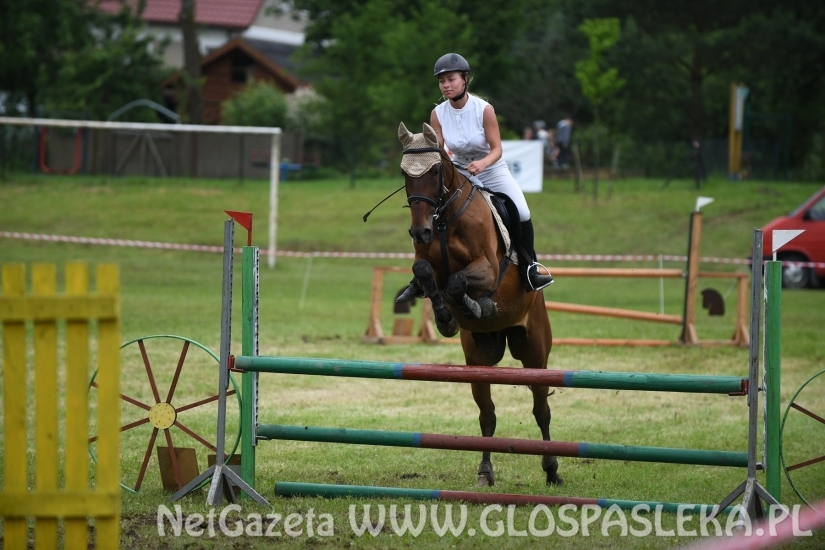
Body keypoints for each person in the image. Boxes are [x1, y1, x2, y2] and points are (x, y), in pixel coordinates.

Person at [397, 53, 553, 303]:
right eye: (441, 81)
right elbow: (439, 149)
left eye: (451, 79)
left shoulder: (484, 109)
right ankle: (420, 277)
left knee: (522, 211)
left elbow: (497, 149)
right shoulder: (437, 113)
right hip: (457, 170)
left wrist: (482, 163)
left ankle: (529, 268)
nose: (446, 85)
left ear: (465, 79)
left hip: (491, 169)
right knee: (429, 207)